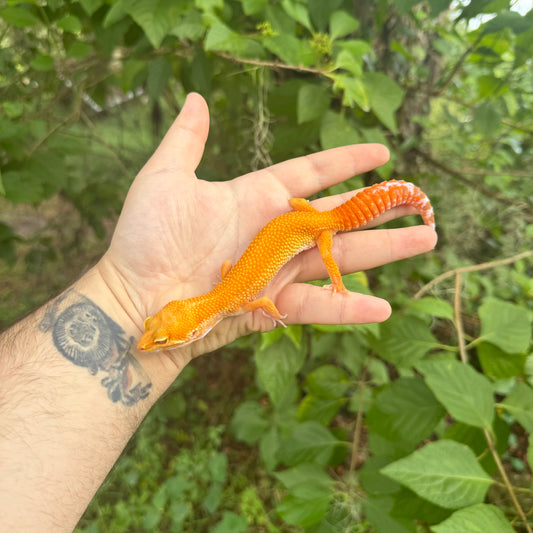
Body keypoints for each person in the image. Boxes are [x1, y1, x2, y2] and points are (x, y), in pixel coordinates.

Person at [0, 93, 437, 531]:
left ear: (193, 325)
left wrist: (316, 288)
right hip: (302, 217)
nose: (147, 340)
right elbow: (237, 278)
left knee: (333, 254)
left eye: (162, 337)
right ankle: (404, 203)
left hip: (317, 225)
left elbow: (261, 300)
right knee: (341, 222)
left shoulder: (229, 301)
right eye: (158, 332)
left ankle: (364, 252)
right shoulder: (221, 295)